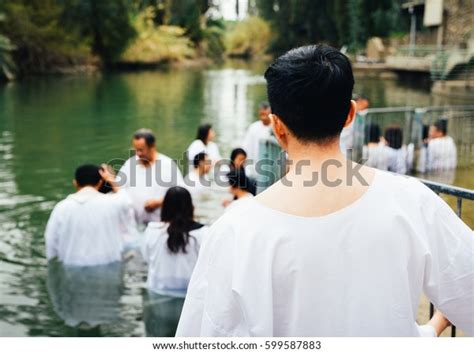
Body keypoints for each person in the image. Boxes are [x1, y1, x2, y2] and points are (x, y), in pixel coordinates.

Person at [176, 45, 473, 337]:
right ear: (350, 114)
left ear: (278, 127)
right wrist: (430, 331)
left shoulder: (234, 230)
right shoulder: (412, 201)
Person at [45, 164, 136, 267]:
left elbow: (51, 241)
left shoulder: (61, 208)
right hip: (107, 264)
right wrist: (111, 179)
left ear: (75, 183)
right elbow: (127, 202)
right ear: (100, 182)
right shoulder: (112, 203)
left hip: (73, 266)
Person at [142, 187, 208, 298]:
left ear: (164, 207)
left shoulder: (152, 230)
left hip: (158, 290)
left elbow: (146, 258)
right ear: (191, 207)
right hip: (189, 295)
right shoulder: (203, 233)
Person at [119, 129, 185, 225]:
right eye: (136, 150)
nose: (138, 154)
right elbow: (119, 189)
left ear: (152, 146)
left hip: (160, 224)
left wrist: (159, 202)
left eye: (141, 150)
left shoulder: (168, 165)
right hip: (134, 225)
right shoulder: (130, 164)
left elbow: (181, 194)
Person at [242, 102, 272, 177]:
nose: (263, 112)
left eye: (265, 109)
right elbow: (246, 148)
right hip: (254, 169)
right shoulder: (253, 127)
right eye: (261, 110)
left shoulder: (276, 128)